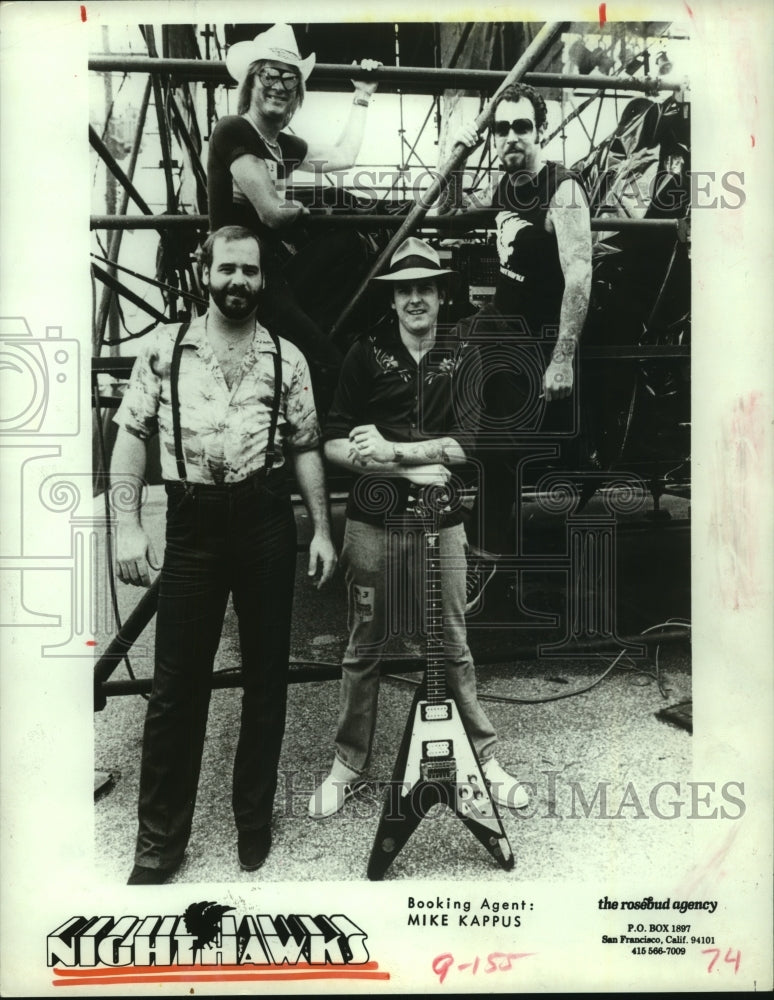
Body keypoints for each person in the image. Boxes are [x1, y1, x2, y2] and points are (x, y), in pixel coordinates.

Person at [111, 225, 337, 884]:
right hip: (194, 527)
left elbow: (304, 446)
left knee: (267, 680)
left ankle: (253, 823)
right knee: (176, 690)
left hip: (265, 522)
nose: (238, 282)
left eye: (250, 271)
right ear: (205, 273)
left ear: (263, 281)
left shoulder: (286, 359)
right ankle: (158, 840)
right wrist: (126, 525)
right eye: (227, 269)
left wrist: (320, 529)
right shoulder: (162, 352)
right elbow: (130, 436)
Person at [308, 236, 529, 820]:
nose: (414, 299)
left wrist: (391, 451)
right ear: (394, 297)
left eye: (424, 288)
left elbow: (471, 444)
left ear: (440, 293)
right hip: (372, 524)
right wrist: (391, 461)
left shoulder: (464, 355)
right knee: (365, 645)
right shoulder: (364, 353)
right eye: (404, 289)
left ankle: (485, 757)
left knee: (452, 643)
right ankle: (348, 764)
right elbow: (331, 441)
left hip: (443, 523)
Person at [453, 83, 592, 612]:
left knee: (495, 450)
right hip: (498, 331)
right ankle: (463, 543)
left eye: (521, 127)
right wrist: (459, 155)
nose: (511, 137)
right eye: (502, 128)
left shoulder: (563, 188)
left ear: (540, 129)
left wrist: (562, 359)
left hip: (536, 341)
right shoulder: (506, 185)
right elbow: (455, 207)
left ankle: (483, 562)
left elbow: (579, 277)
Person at [207, 23, 382, 410]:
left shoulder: (281, 145)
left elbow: (343, 156)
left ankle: (307, 329)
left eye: (290, 78)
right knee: (331, 364)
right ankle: (322, 433)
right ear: (251, 81)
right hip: (244, 273)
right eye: (270, 74)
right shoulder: (234, 129)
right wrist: (306, 210)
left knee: (348, 242)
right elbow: (271, 213)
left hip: (274, 271)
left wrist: (362, 96)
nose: (280, 85)